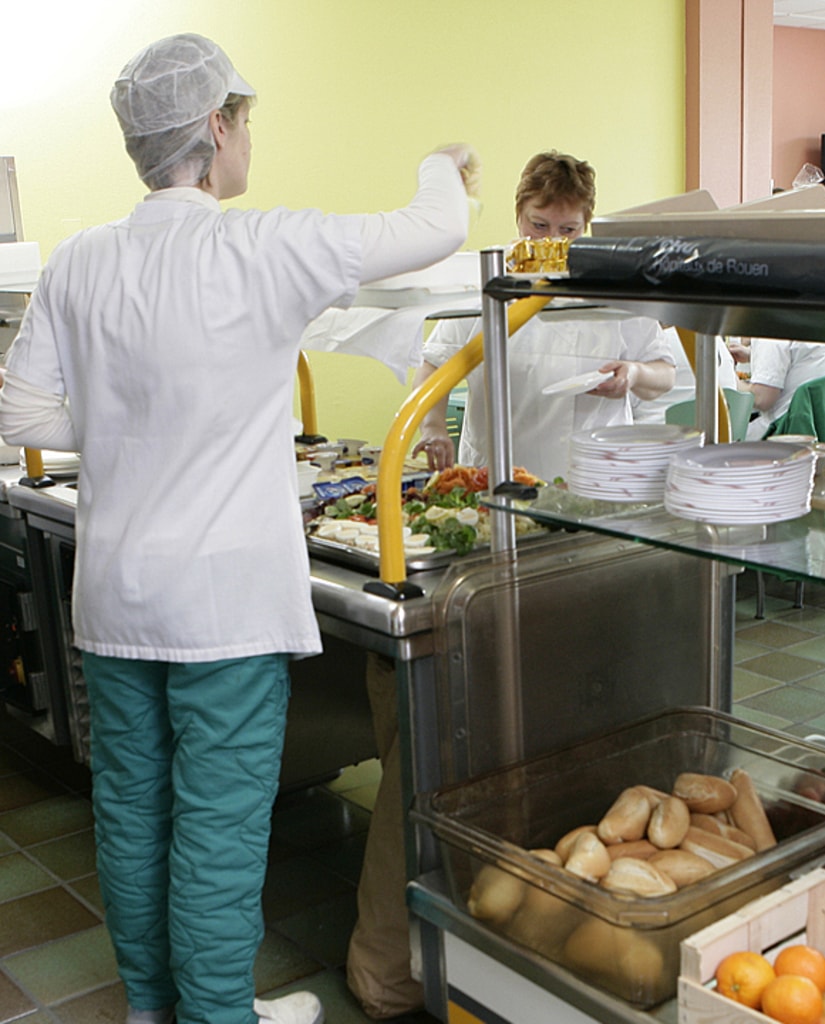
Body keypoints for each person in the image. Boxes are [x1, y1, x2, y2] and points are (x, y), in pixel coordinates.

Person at [0, 33, 475, 1024]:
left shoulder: (83, 257)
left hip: (115, 599)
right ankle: (218, 1016)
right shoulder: (261, 244)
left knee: (132, 816)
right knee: (214, 831)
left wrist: (130, 423)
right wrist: (447, 162)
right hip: (221, 611)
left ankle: (152, 1009)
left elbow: (17, 414)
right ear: (215, 128)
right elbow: (434, 227)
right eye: (245, 119)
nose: (248, 137)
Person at [415, 150, 675, 479]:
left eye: (567, 230)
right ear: (518, 215)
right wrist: (433, 426)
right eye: (538, 225)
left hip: (594, 477)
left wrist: (634, 374)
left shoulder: (612, 285)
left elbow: (664, 374)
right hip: (497, 474)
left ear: (586, 226)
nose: (551, 240)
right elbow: (434, 365)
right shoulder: (486, 278)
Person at [741, 338, 825, 439]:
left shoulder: (769, 327)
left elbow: (762, 399)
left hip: (787, 433)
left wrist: (729, 379)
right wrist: (754, 356)